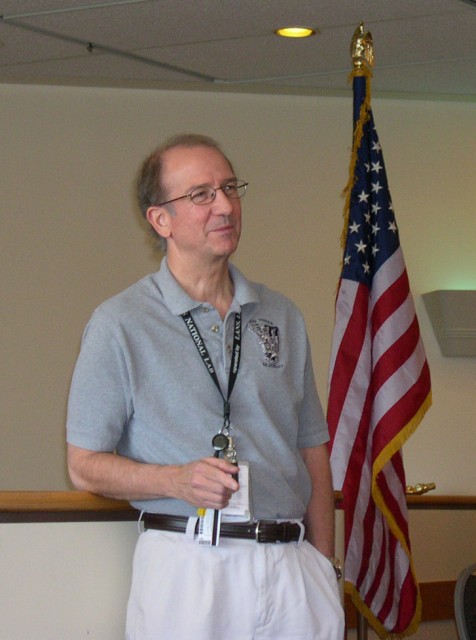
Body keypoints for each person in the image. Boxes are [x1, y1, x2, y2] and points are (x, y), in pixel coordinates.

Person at [67, 133, 345, 639]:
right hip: (190, 565)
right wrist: (175, 480)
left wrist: (323, 565)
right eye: (201, 194)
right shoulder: (120, 323)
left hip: (292, 567)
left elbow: (312, 448)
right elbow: (83, 465)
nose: (224, 205)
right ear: (160, 220)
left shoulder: (281, 315)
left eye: (229, 188)